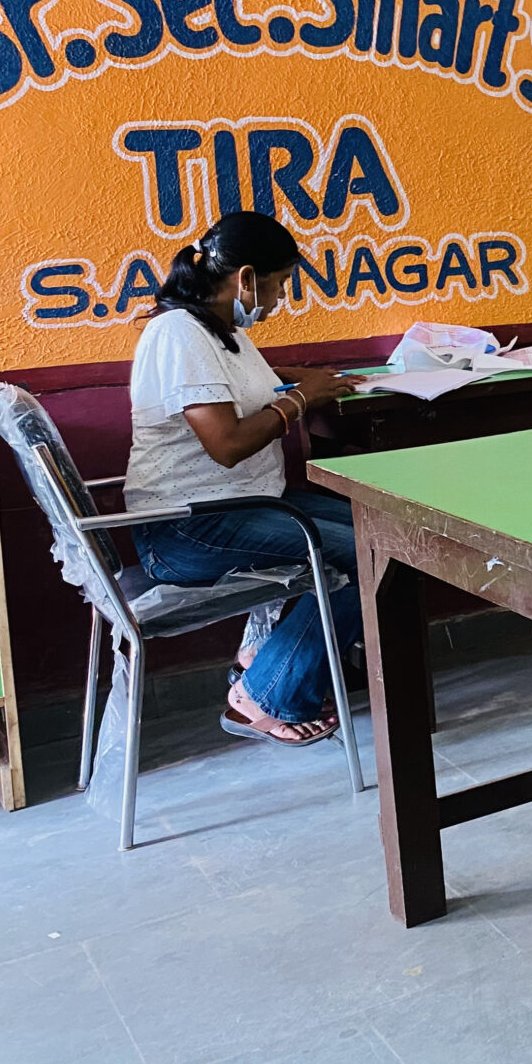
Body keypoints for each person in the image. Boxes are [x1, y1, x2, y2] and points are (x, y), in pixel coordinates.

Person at [125, 212, 363, 747]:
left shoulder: (216, 329)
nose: (278, 300)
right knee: (366, 555)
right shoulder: (179, 333)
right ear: (247, 278)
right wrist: (302, 399)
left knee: (375, 531)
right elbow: (226, 443)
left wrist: (307, 380)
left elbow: (248, 385)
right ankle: (267, 696)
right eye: (278, 285)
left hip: (240, 507)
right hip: (186, 527)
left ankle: (264, 658)